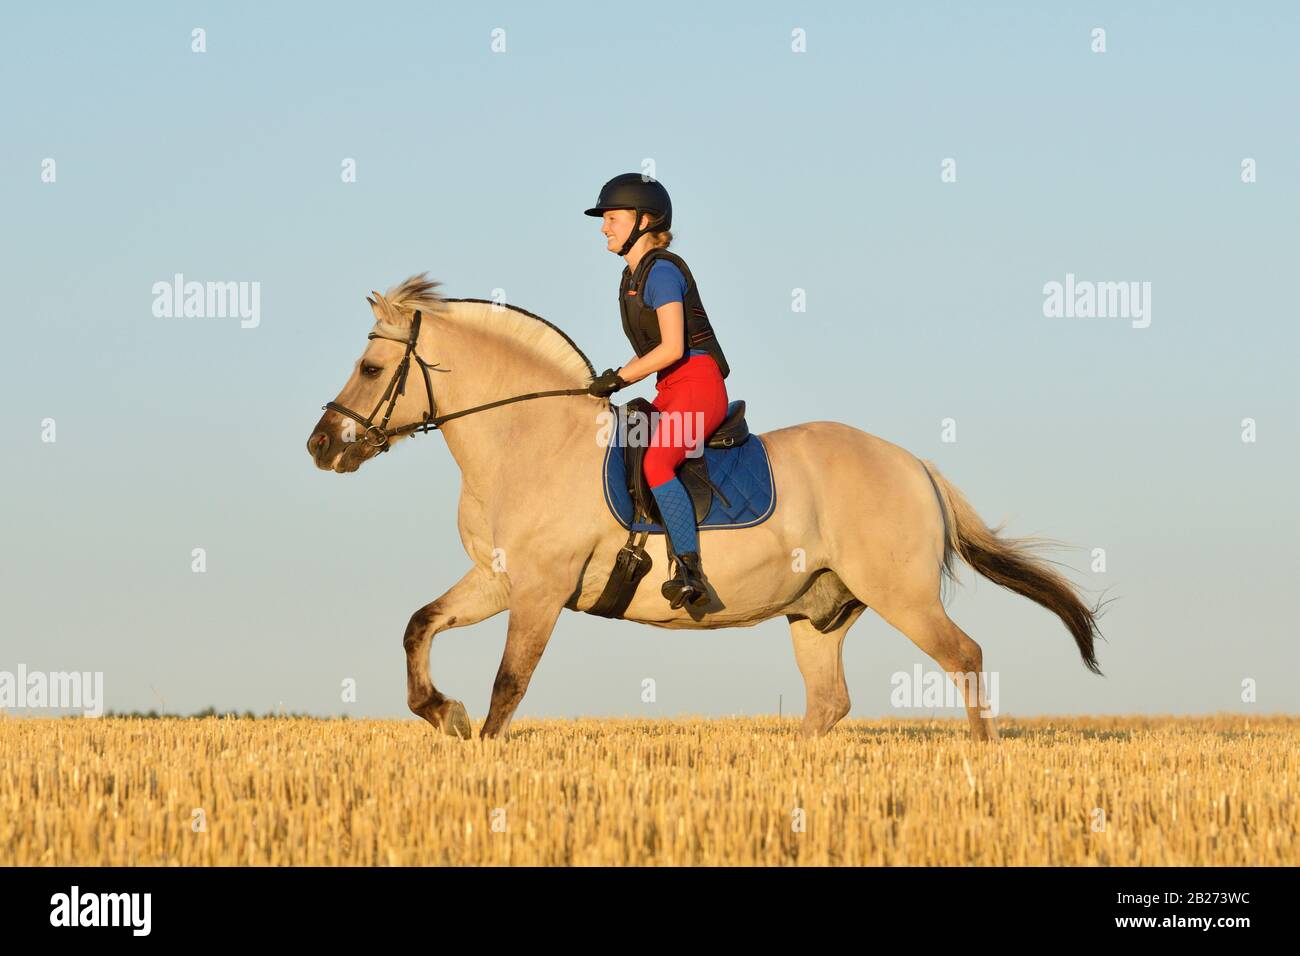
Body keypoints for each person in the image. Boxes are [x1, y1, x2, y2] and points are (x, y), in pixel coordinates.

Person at [584, 173, 731, 610]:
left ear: (644, 221)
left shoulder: (662, 272)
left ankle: (690, 571)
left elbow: (671, 347)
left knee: (657, 460)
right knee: (621, 439)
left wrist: (622, 377)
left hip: (700, 388)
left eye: (612, 217)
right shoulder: (632, 278)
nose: (604, 227)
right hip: (670, 388)